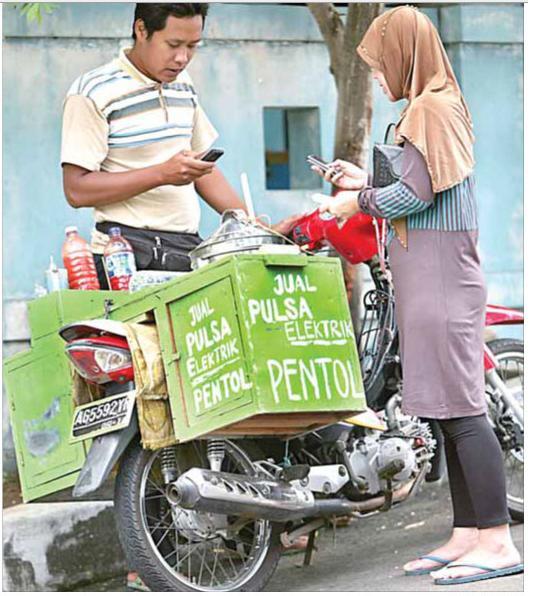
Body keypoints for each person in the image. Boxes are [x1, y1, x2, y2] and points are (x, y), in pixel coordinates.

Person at [312, 6, 523, 587]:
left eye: (382, 67)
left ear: (406, 55)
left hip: (441, 276)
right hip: (427, 273)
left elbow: (414, 196)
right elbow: (418, 184)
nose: (378, 78)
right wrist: (362, 181)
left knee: (463, 409)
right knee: (444, 409)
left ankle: (499, 541)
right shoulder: (426, 107)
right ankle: (466, 533)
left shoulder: (432, 108)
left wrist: (354, 204)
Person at [61, 3, 295, 288]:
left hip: (185, 252)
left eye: (193, 46)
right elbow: (76, 189)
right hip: (123, 257)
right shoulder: (93, 91)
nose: (182, 58)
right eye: (173, 44)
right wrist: (162, 174)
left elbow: (203, 170)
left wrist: (259, 230)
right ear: (141, 30)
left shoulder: (183, 84)